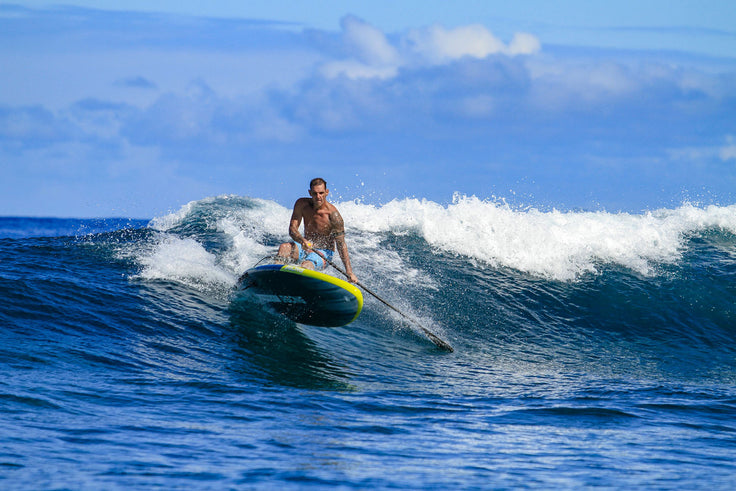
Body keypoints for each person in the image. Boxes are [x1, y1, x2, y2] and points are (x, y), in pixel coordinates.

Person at [277, 178, 358, 283]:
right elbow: (292, 229)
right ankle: (275, 280)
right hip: (304, 246)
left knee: (306, 266)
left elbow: (341, 244)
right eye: (315, 193)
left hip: (323, 252)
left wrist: (349, 272)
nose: (318, 197)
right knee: (284, 248)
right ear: (310, 192)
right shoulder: (302, 204)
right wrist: (302, 241)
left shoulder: (334, 216)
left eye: (321, 193)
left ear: (327, 192)